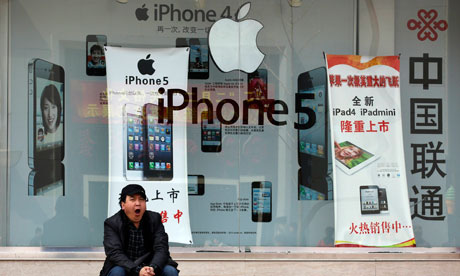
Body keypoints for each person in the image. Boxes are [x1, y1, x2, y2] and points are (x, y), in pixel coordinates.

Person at [100, 184, 179, 276]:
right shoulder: (112, 223)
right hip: (125, 266)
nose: (138, 203)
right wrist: (137, 270)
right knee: (117, 272)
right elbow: (115, 253)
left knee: (170, 271)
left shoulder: (154, 219)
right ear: (123, 205)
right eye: (132, 199)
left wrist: (153, 267)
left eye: (141, 199)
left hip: (150, 266)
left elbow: (161, 248)